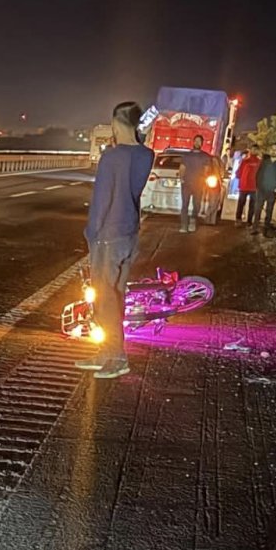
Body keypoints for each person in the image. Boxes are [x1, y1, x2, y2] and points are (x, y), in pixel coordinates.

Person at [76, 101, 154, 379]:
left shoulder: (112, 157)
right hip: (129, 233)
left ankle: (117, 356)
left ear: (116, 124)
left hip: (108, 234)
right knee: (116, 295)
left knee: (104, 296)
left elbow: (102, 200)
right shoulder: (147, 154)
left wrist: (92, 233)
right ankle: (107, 353)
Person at [177, 135, 216, 233]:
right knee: (184, 205)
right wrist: (181, 178)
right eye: (196, 141)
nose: (197, 143)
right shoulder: (187, 156)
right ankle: (184, 225)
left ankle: (192, 221)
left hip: (199, 184)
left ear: (202, 143)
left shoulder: (205, 157)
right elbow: (182, 167)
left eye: (199, 141)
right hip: (186, 183)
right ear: (193, 142)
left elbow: (207, 170)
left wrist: (205, 180)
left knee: (197, 205)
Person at [236, 145, 262, 226]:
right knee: (241, 203)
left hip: (254, 187)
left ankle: (249, 221)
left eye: (255, 149)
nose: (253, 151)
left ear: (257, 151)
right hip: (244, 186)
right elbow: (239, 172)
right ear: (250, 150)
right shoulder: (245, 161)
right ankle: (238, 219)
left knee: (252, 205)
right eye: (252, 149)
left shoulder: (259, 162)